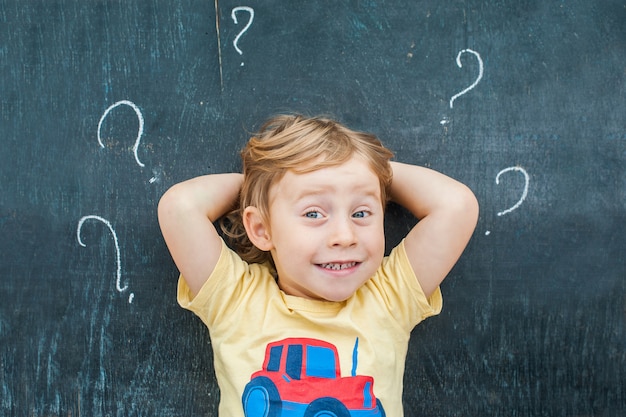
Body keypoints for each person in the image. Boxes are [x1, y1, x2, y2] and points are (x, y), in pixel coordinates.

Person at [158, 114, 479, 416]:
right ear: (261, 229)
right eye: (314, 213)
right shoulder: (236, 301)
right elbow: (180, 208)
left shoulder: (389, 299)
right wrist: (262, 183)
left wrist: (372, 172)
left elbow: (456, 206)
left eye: (361, 212)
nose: (344, 235)